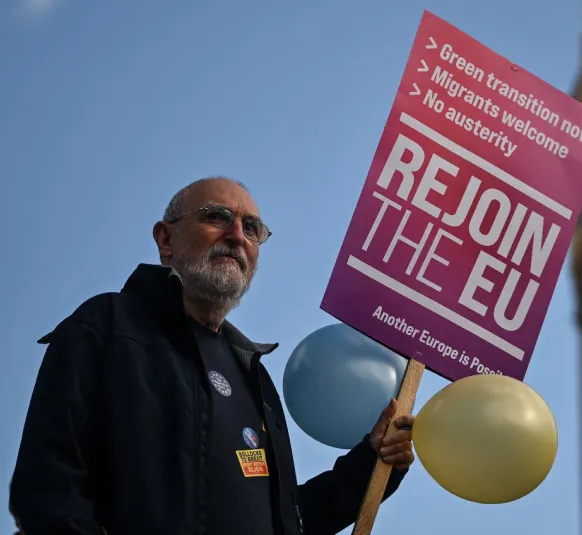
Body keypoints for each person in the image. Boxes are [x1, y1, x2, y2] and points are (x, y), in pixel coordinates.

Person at [9, 177, 415, 535]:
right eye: (217, 217)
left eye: (252, 228)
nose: (238, 235)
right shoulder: (106, 328)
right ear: (165, 240)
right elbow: (49, 489)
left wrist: (373, 461)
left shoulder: (252, 374)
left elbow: (287, 521)